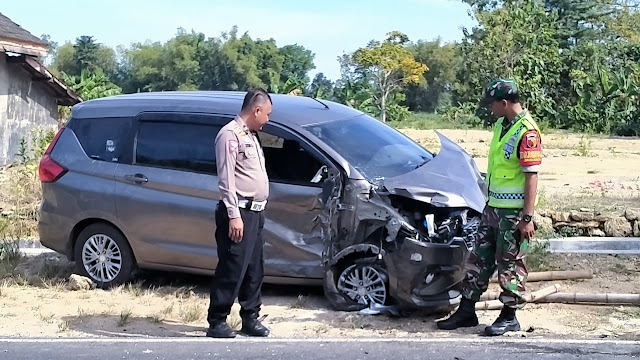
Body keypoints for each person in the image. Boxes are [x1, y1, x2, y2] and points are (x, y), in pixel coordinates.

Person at [436, 79, 543, 336]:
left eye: (492, 104)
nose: (489, 109)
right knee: (478, 259)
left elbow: (531, 176)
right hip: (492, 207)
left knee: (510, 264)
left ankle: (509, 316)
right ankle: (466, 311)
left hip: (514, 213)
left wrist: (526, 218)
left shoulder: (527, 132)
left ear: (504, 103)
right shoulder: (500, 124)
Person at [206, 88, 272, 338]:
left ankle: (250, 317)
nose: (267, 119)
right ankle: (218, 321)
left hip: (255, 213)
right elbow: (226, 179)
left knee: (254, 267)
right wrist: (234, 215)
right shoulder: (229, 135)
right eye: (266, 114)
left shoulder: (252, 135)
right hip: (238, 212)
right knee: (232, 267)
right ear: (256, 110)